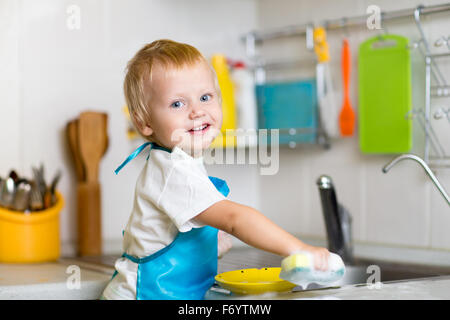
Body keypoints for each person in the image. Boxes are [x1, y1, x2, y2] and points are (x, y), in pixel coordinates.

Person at [101, 39, 330, 300]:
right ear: (144, 122)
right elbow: (235, 219)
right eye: (178, 104)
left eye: (205, 97)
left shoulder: (178, 161)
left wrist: (208, 244)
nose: (197, 111)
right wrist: (299, 250)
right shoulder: (174, 171)